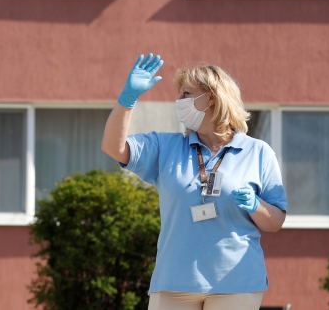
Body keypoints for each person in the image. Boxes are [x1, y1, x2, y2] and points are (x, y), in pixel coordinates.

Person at [101, 55, 287, 310]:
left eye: (186, 93)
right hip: (174, 282)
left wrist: (256, 205)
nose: (178, 101)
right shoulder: (165, 146)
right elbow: (113, 148)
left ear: (211, 97)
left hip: (236, 282)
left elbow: (275, 222)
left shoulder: (258, 152)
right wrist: (128, 98)